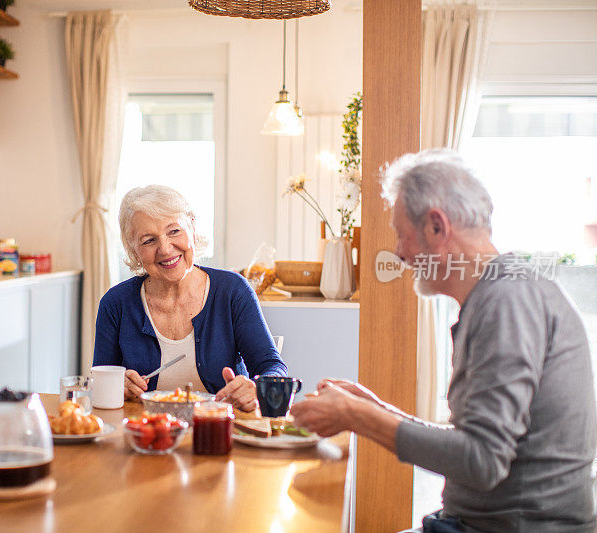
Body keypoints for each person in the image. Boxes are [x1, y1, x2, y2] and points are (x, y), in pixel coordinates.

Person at [291, 149, 597, 532]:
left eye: (401, 235)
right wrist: (375, 408)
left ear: (437, 227)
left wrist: (357, 416)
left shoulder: (507, 300)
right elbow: (475, 441)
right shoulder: (501, 292)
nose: (399, 253)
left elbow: (481, 460)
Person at [93, 185, 287, 412]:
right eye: (148, 240)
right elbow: (100, 380)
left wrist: (256, 387)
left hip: (221, 430)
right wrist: (117, 385)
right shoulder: (115, 303)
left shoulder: (232, 290)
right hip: (147, 434)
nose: (165, 249)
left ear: (192, 227)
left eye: (174, 231)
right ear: (134, 250)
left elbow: (272, 366)